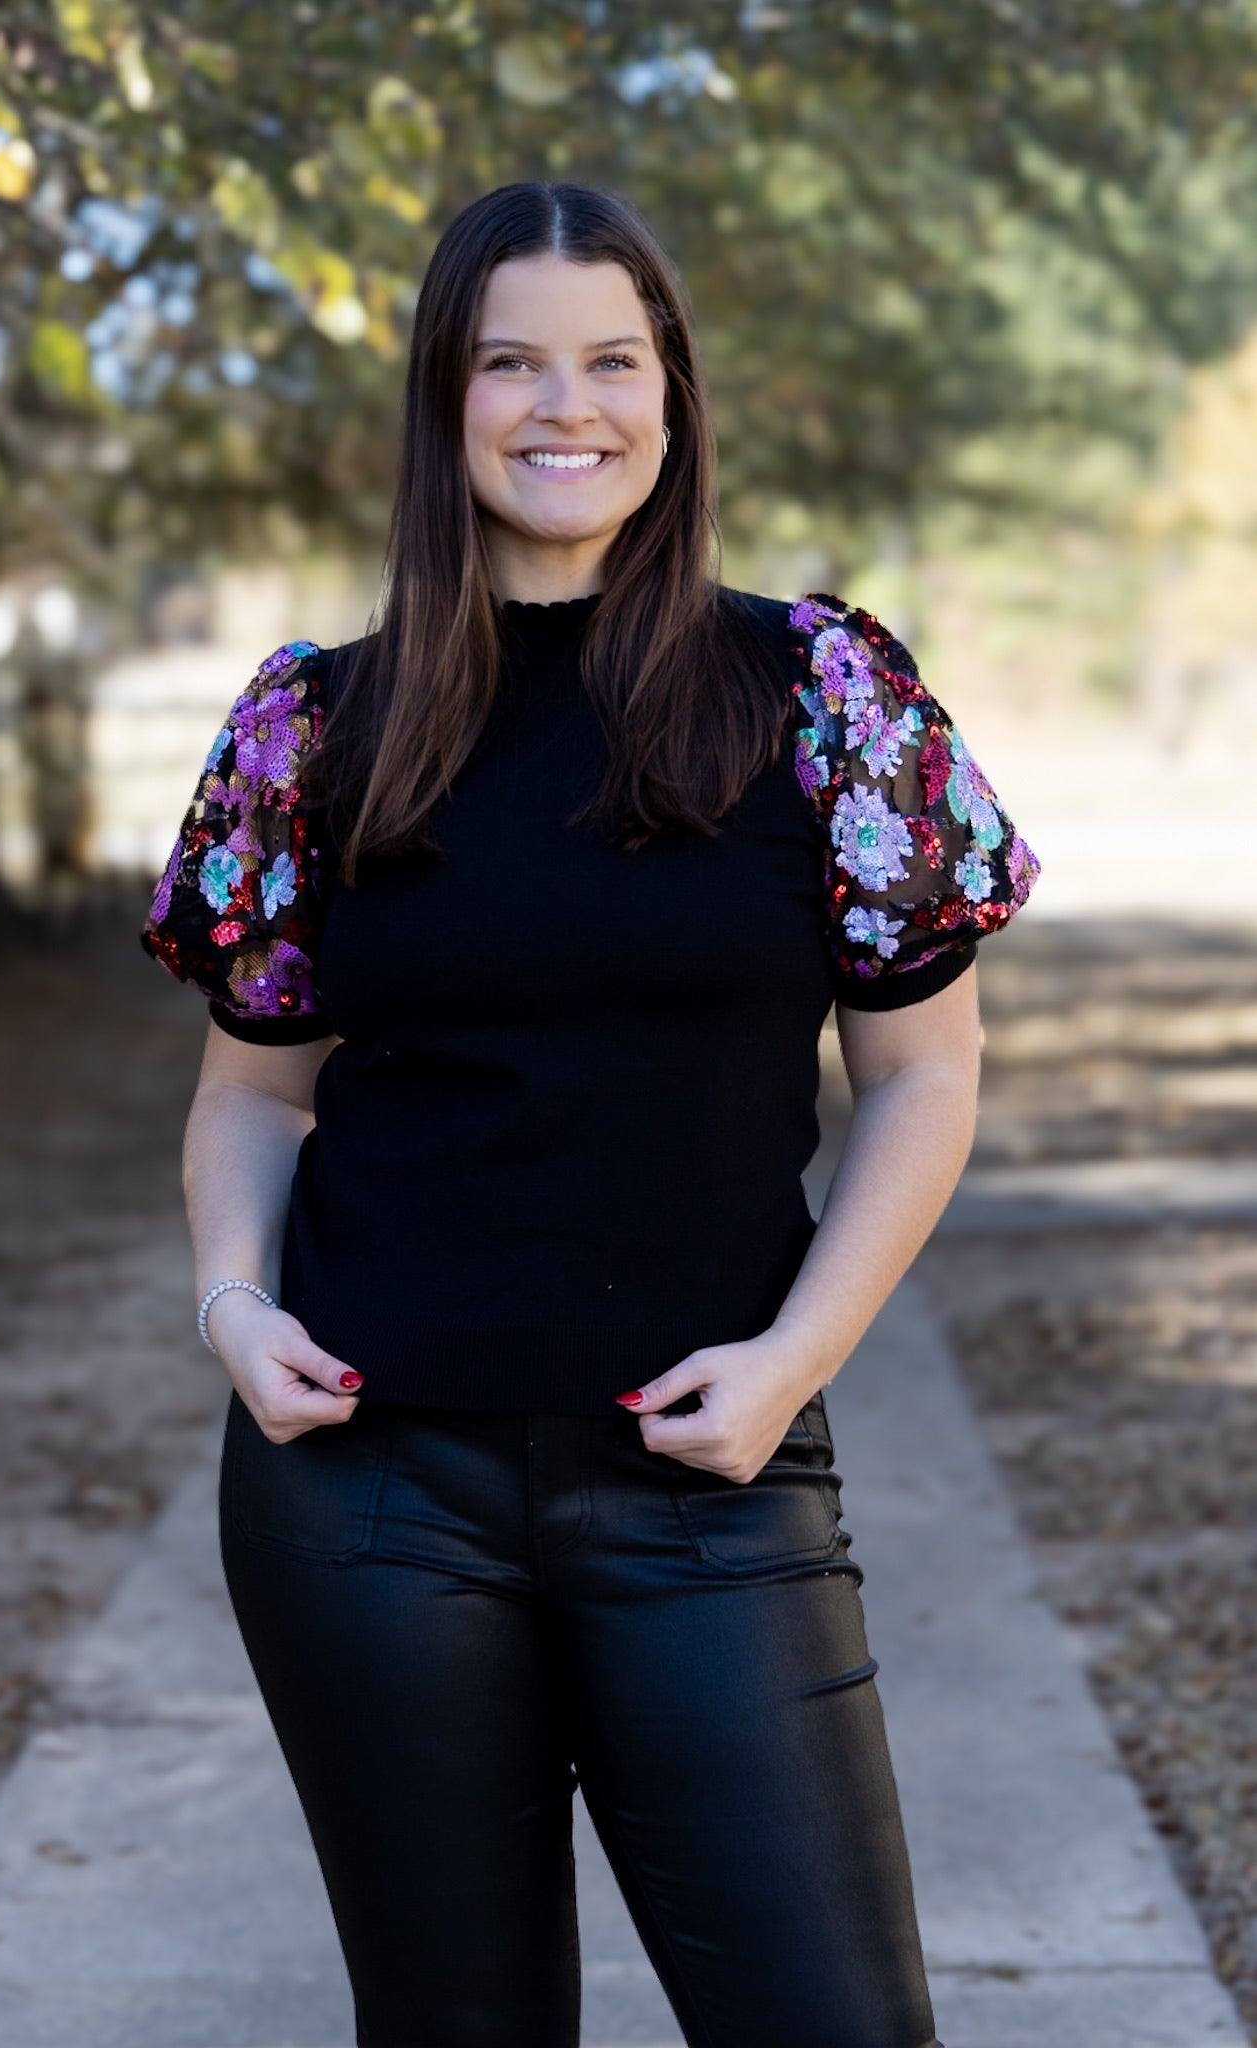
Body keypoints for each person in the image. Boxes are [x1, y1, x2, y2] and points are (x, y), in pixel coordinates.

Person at [142, 180, 1040, 2048]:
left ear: (672, 392)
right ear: (444, 401)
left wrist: (800, 1352)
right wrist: (234, 1305)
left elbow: (923, 1070)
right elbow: (249, 1090)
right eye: (512, 363)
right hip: (369, 1496)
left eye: (612, 359)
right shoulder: (313, 729)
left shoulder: (820, 695)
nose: (569, 406)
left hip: (708, 1486)